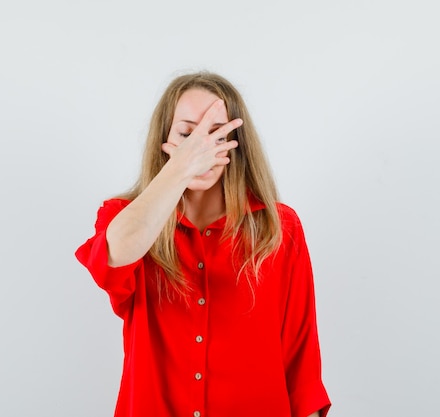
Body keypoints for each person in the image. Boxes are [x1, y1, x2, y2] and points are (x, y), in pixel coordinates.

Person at [75, 71, 331, 417]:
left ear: (237, 142)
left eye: (216, 134)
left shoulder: (279, 226)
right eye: (187, 133)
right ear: (165, 139)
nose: (201, 147)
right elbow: (114, 258)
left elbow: (301, 360)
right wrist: (180, 168)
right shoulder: (124, 217)